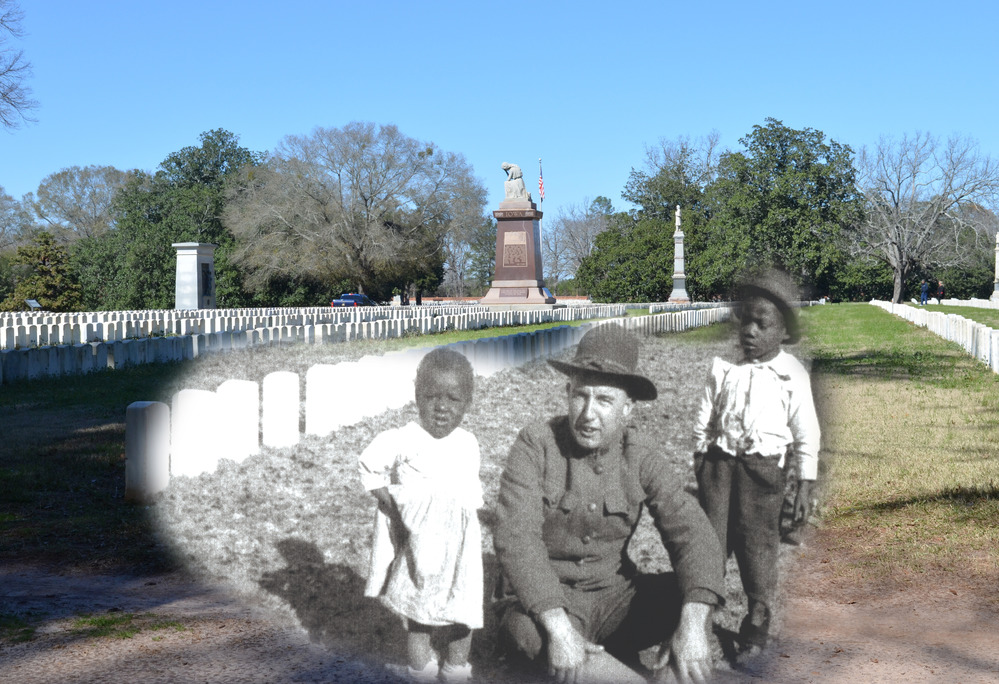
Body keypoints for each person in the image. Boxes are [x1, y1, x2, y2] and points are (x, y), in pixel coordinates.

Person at [493, 324, 725, 683]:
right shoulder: (535, 445)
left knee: (695, 598)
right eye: (580, 396)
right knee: (528, 636)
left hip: (615, 600)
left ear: (627, 409)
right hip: (545, 606)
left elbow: (693, 534)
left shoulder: (640, 455)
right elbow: (516, 539)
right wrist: (559, 630)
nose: (587, 414)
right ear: (567, 393)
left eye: (604, 400)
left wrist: (692, 624)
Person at [692, 269, 821, 656]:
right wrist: (700, 456)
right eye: (744, 321)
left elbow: (806, 432)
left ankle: (758, 616)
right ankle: (697, 615)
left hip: (763, 473)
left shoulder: (790, 375)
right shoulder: (725, 369)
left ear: (782, 332)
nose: (749, 331)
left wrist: (805, 482)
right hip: (717, 466)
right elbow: (704, 415)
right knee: (709, 541)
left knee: (757, 545)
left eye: (761, 324)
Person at [358, 348, 483, 682]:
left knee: (462, 614)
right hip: (421, 546)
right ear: (416, 397)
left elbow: (470, 496)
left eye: (453, 399)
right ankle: (421, 672)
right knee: (419, 616)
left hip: (460, 550)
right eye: (431, 397)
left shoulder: (467, 443)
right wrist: (393, 507)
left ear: (467, 403)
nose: (441, 407)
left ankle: (456, 670)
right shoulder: (404, 439)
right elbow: (371, 470)